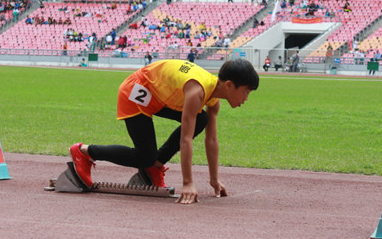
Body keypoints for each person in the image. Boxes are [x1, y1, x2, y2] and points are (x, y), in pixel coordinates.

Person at [69, 59, 260, 204]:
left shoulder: (212, 97)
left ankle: (155, 166)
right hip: (135, 91)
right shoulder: (197, 91)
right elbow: (186, 139)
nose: (246, 98)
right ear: (228, 85)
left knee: (203, 118)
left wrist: (214, 180)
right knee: (145, 157)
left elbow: (211, 141)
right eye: (246, 91)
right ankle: (84, 151)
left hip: (157, 96)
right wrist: (188, 183)